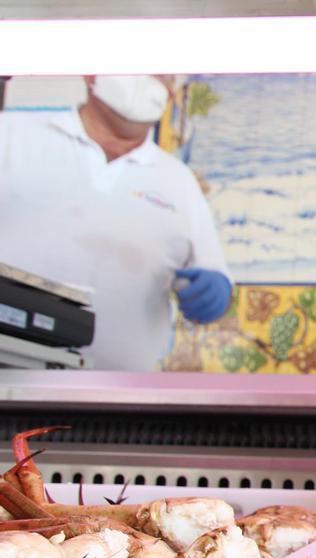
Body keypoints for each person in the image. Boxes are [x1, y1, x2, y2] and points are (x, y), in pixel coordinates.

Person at [0, 75, 232, 371]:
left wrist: (214, 293)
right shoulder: (10, 135)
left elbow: (214, 277)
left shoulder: (179, 181)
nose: (152, 76)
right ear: (91, 74)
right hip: (8, 383)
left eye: (165, 72)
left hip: (117, 401)